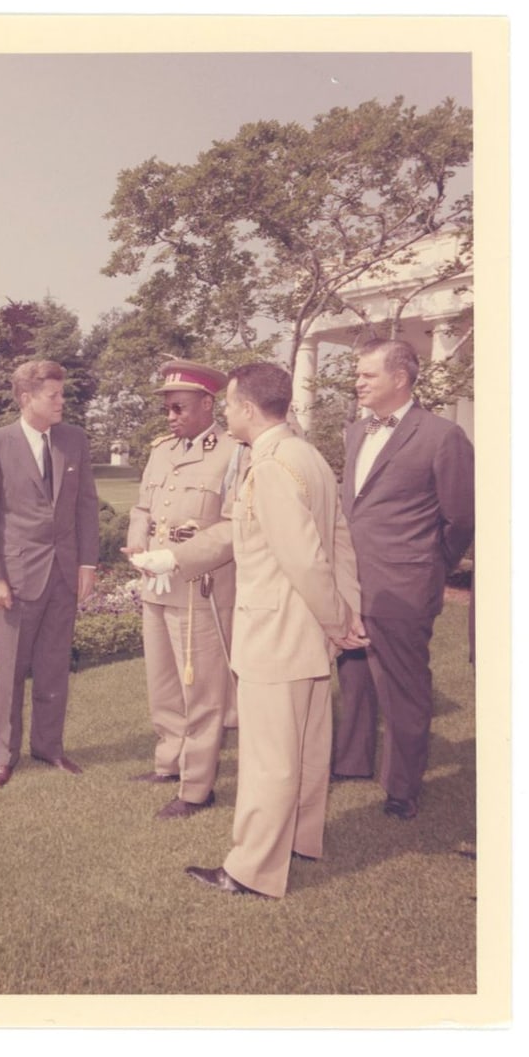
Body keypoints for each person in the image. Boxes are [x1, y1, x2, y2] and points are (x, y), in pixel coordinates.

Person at [183, 363, 366, 898]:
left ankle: (250, 870)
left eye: (229, 404)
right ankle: (299, 840)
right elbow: (339, 542)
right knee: (305, 750)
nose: (225, 413)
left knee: (270, 760)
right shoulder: (306, 455)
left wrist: (339, 619)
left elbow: (305, 559)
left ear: (247, 407)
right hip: (307, 632)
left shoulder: (271, 467)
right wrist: (347, 613)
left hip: (276, 633)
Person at [332, 338, 475, 820]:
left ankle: (402, 787)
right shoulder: (356, 432)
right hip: (352, 582)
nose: (357, 382)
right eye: (358, 374)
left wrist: (430, 566)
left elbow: (461, 518)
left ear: (399, 377)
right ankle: (351, 763)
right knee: (354, 675)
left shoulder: (442, 436)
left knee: (403, 688)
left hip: (403, 587)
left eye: (367, 374)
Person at [0, 359, 101, 789]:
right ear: (26, 398)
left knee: (54, 666)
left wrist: (86, 563)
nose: (62, 402)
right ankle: (4, 756)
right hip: (17, 577)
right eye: (53, 395)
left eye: (62, 394)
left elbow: (86, 505)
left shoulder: (74, 440)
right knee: (11, 672)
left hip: (63, 574)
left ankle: (49, 748)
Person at [122, 357, 238, 819]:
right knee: (164, 684)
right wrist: (137, 542)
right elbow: (142, 509)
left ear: (208, 404)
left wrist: (177, 556)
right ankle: (169, 762)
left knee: (203, 693)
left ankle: (197, 787)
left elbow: (232, 527)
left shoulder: (233, 452)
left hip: (198, 588)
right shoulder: (162, 451)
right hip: (156, 584)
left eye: (179, 408)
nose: (170, 417)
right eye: (166, 408)